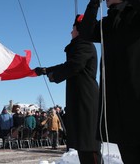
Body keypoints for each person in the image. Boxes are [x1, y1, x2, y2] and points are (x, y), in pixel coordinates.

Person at [79, 0, 140, 164]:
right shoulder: (107, 25)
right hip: (122, 111)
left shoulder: (139, 17)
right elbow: (86, 32)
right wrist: (93, 2)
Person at [35, 14, 102, 163]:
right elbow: (69, 65)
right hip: (81, 99)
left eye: (73, 29)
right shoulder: (81, 45)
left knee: (89, 144)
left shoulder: (84, 44)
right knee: (83, 144)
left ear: (79, 30)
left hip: (86, 99)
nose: (70, 33)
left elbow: (74, 65)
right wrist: (46, 70)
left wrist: (53, 75)